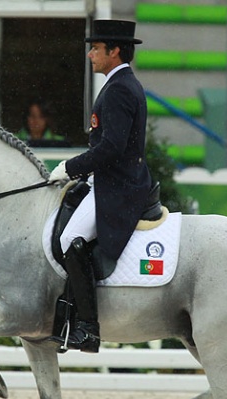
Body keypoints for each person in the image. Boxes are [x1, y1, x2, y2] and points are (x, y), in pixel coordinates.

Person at [47, 19, 152, 353]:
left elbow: (112, 147)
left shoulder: (120, 88)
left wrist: (70, 168)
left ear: (115, 51)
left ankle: (88, 328)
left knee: (69, 239)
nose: (91, 54)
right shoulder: (118, 84)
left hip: (117, 186)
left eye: (96, 48)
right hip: (109, 179)